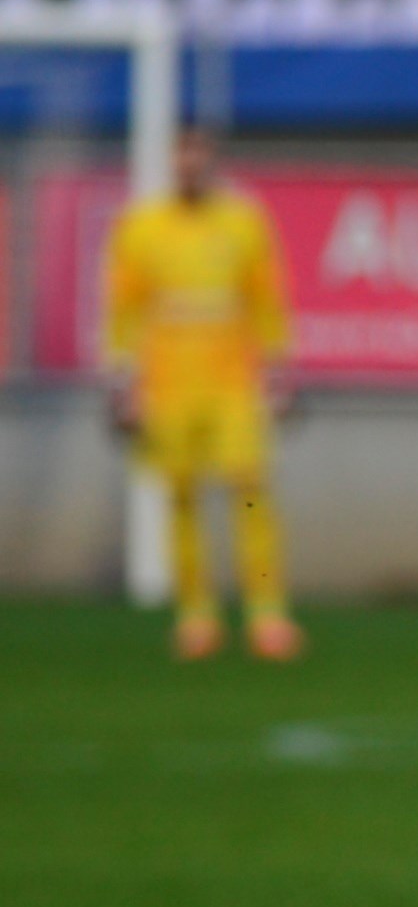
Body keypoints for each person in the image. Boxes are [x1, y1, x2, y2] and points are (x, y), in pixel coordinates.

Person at [105, 121, 297, 663]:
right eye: (181, 156)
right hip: (169, 381)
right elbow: (123, 309)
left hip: (232, 378)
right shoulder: (142, 228)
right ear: (170, 163)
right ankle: (197, 615)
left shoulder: (243, 222)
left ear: (213, 161)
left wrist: (279, 370)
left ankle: (267, 613)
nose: (190, 165)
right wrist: (122, 381)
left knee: (252, 488)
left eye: (198, 155)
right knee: (181, 495)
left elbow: (267, 299)